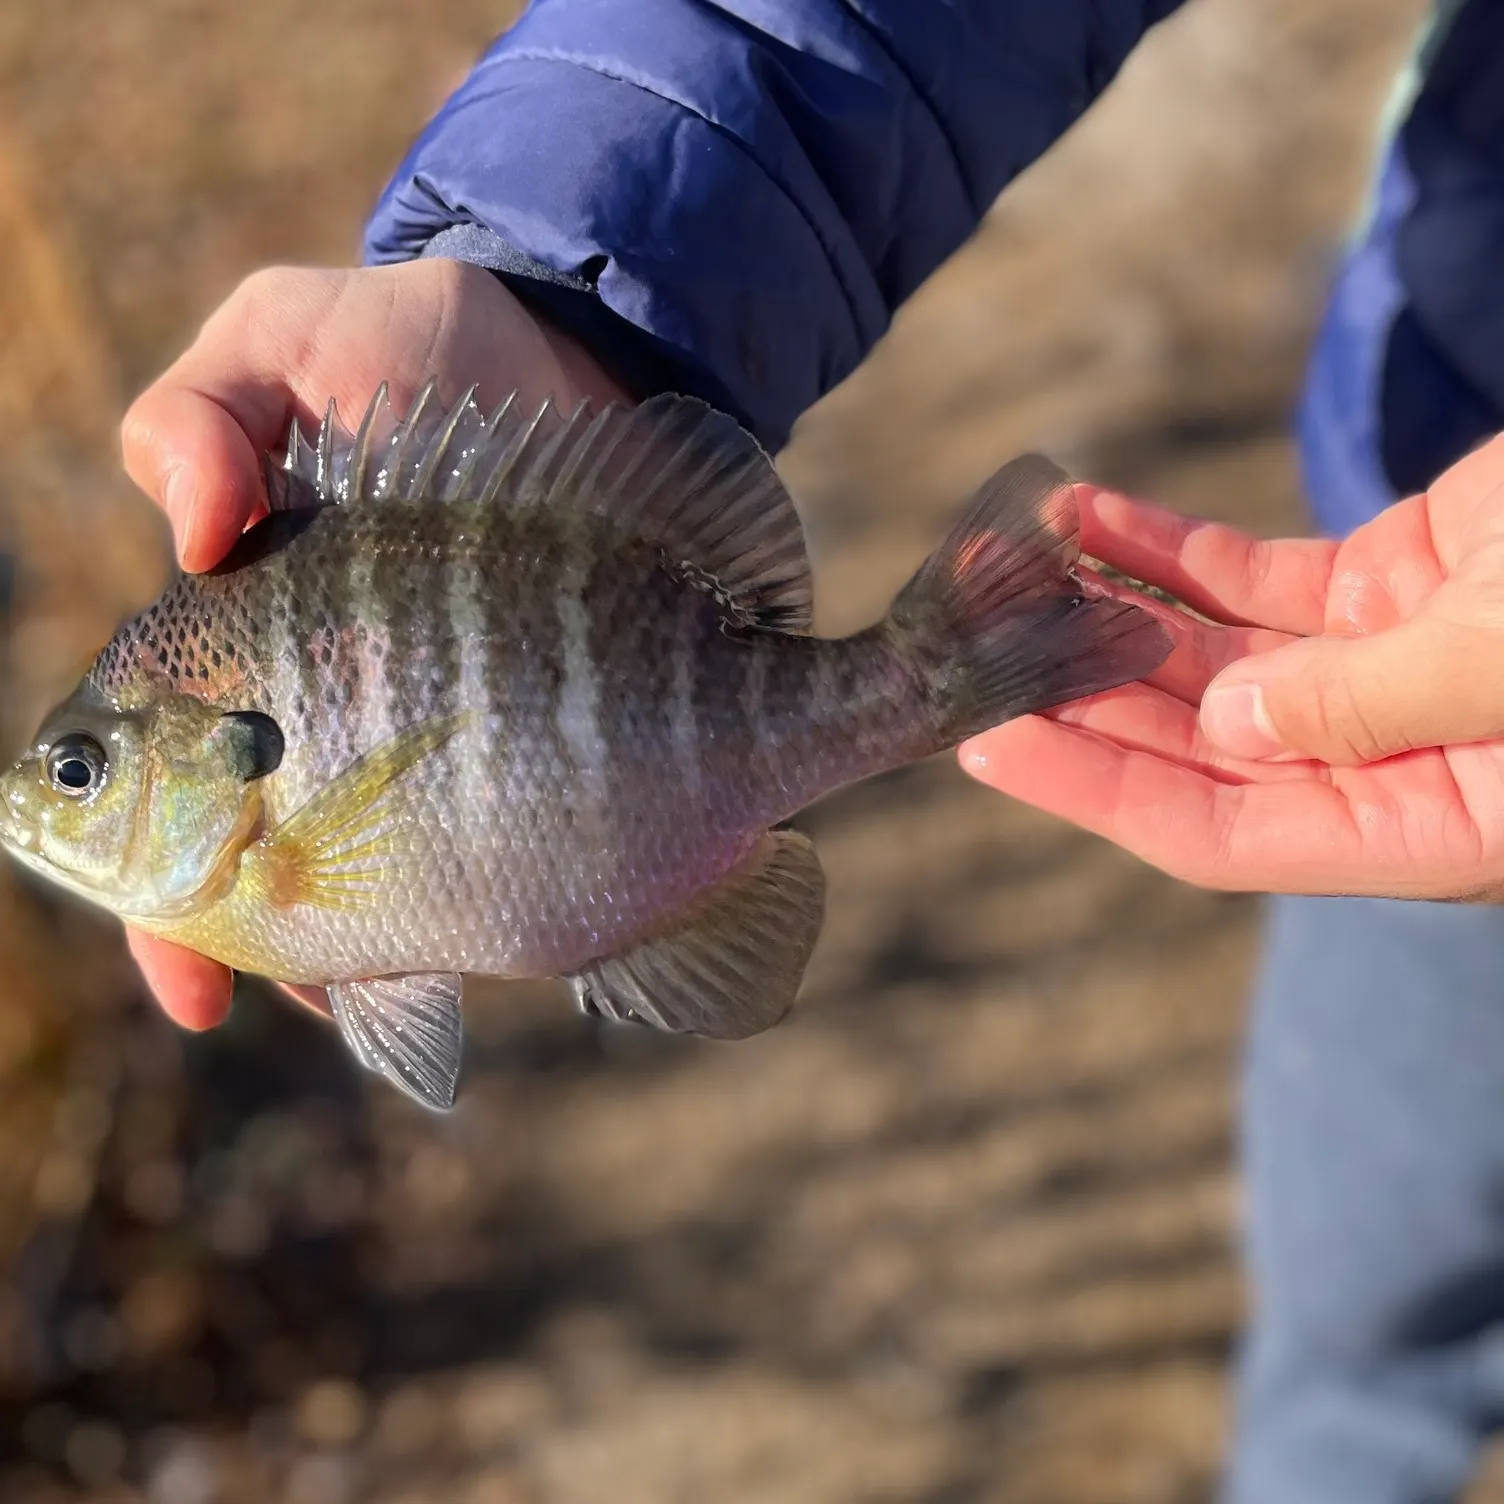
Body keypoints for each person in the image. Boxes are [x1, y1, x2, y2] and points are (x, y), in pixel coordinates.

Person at [112, 2, 1504, 1498]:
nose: (58, 798)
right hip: (1432, 611)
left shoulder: (265, 851)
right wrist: (554, 289)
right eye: (79, 767)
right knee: (1364, 1313)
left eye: (83, 772)